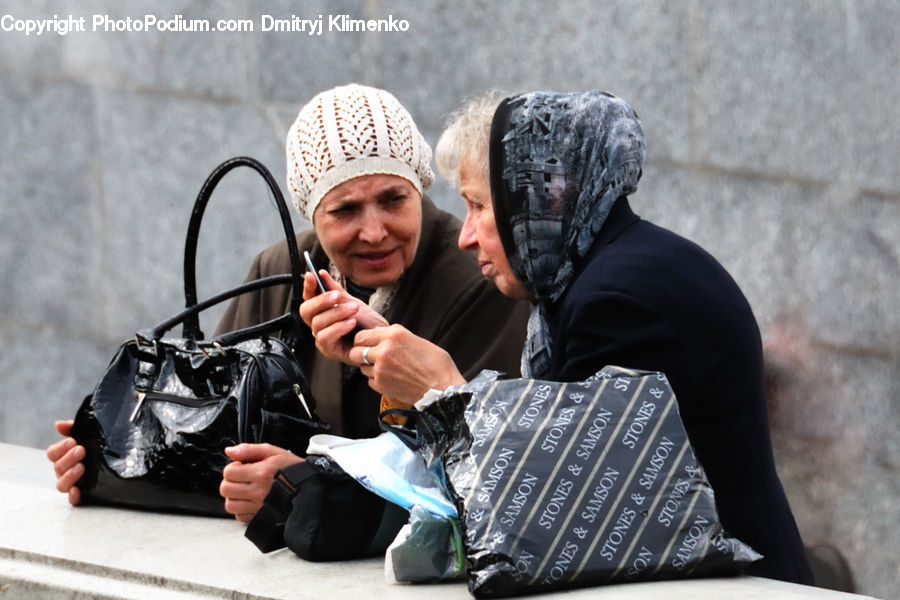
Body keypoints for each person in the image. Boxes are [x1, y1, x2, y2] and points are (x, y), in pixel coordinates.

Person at [307, 89, 812, 584]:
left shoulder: (616, 301)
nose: (465, 235)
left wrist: (444, 392)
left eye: (479, 206)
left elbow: (564, 506)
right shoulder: (618, 269)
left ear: (539, 196)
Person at [46, 84, 531, 522]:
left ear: (419, 188)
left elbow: (476, 475)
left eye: (393, 200)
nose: (375, 231)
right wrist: (119, 455)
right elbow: (208, 422)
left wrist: (302, 484)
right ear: (312, 214)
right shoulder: (278, 272)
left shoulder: (481, 278)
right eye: (344, 210)